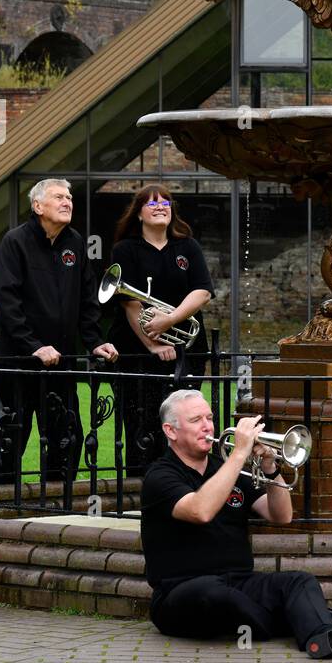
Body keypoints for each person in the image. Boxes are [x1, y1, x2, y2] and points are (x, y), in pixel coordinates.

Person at [142, 389, 332, 657]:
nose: (207, 426)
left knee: (299, 582)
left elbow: (281, 515)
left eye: (209, 417)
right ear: (171, 431)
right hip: (181, 590)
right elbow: (201, 510)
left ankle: (321, 639)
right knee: (216, 594)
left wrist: (270, 467)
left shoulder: (224, 468)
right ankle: (303, 619)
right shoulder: (160, 476)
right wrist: (238, 455)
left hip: (240, 582)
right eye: (195, 420)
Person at [0, 178, 118, 484]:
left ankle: (60, 506)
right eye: (59, 197)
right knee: (10, 437)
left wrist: (94, 342)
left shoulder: (75, 243)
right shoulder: (15, 242)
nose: (67, 202)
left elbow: (88, 301)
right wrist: (33, 346)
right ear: (38, 206)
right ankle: (2, 508)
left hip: (61, 365)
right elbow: (6, 300)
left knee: (65, 438)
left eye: (69, 197)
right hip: (16, 364)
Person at [106, 184, 213, 477]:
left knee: (186, 421)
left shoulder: (187, 246)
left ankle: (186, 482)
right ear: (139, 213)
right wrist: (152, 344)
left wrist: (170, 320)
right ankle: (140, 486)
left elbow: (202, 292)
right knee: (142, 423)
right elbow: (130, 304)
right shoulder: (125, 249)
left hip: (186, 351)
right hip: (138, 353)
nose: (159, 206)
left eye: (165, 202)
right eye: (151, 203)